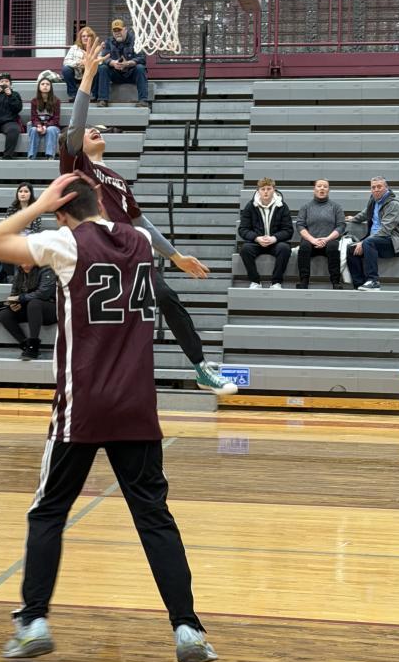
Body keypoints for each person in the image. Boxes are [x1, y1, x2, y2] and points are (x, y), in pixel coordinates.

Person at [0, 173, 218, 662]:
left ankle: (34, 621)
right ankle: (189, 629)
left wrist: (38, 206)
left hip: (83, 403)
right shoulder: (141, 241)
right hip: (137, 402)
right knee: (154, 517)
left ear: (63, 212)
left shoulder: (66, 242)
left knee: (48, 512)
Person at [62, 39, 236, 395]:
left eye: (99, 130)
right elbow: (76, 126)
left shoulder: (118, 179)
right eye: (90, 130)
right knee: (105, 326)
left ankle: (201, 368)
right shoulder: (76, 166)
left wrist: (176, 256)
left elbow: (141, 223)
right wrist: (89, 77)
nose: (95, 130)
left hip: (129, 253)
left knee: (167, 298)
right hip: (96, 255)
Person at [345, 176, 399, 291]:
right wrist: (353, 219)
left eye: (379, 187)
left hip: (393, 243)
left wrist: (363, 242)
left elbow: (385, 230)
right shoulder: (373, 200)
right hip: (375, 241)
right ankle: (359, 284)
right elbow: (365, 213)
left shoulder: (394, 204)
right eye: (373, 187)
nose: (376, 189)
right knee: (350, 249)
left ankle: (373, 281)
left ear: (386, 188)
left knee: (368, 242)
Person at [238, 177, 294, 289]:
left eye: (269, 189)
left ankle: (276, 282)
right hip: (257, 242)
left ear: (274, 190)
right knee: (245, 249)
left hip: (275, 243)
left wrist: (274, 238)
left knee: (284, 248)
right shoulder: (250, 206)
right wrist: (256, 238)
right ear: (258, 191)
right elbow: (243, 229)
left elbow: (288, 230)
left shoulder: (282, 206)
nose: (266, 192)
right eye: (263, 189)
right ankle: (255, 281)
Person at [0, 261, 57, 360]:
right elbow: (14, 293)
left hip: (50, 309)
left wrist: (20, 298)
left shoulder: (46, 269)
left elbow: (43, 294)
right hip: (29, 308)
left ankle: (33, 346)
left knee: (34, 304)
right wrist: (14, 304)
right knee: (5, 314)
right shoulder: (19, 271)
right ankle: (26, 345)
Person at [295, 179, 346, 289]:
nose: (322, 188)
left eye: (325, 186)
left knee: (333, 247)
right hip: (310, 241)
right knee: (304, 246)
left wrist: (326, 239)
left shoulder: (336, 207)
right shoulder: (306, 207)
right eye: (319, 186)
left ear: (328, 190)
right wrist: (313, 240)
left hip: (329, 240)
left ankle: (336, 281)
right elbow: (300, 225)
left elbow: (341, 226)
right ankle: (304, 280)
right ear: (314, 189)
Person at [98, 19, 148, 107]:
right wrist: (113, 63)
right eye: (115, 31)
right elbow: (104, 57)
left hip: (131, 73)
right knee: (103, 68)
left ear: (125, 29)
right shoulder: (108, 41)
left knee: (140, 68)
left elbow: (142, 58)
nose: (117, 33)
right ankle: (103, 99)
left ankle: (143, 101)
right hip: (116, 74)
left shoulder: (136, 40)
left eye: (119, 30)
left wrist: (128, 63)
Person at [61, 26, 99, 100]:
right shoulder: (74, 48)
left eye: (88, 36)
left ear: (92, 37)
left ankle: (93, 94)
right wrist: (80, 63)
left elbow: (100, 62)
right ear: (80, 38)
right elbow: (66, 61)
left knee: (99, 69)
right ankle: (73, 94)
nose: (85, 38)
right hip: (76, 75)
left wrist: (89, 64)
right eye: (83, 36)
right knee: (66, 69)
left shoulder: (96, 48)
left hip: (90, 76)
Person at [27, 76, 62, 159]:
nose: (45, 86)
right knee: (33, 130)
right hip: (38, 126)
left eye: (47, 84)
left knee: (50, 130)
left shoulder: (56, 101)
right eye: (42, 84)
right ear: (39, 87)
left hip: (52, 126)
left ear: (51, 87)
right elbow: (34, 117)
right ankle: (31, 156)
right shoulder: (34, 101)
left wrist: (45, 126)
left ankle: (50, 156)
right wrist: (39, 125)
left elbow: (56, 119)